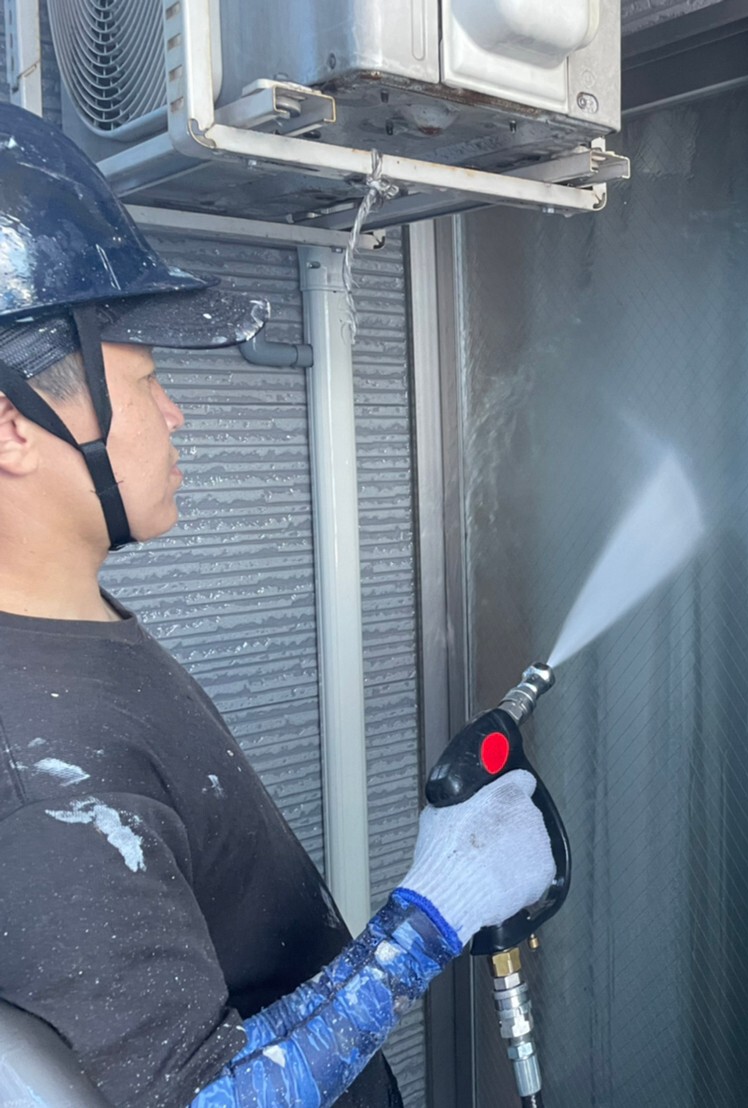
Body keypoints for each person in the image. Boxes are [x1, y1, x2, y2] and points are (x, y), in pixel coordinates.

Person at [0, 102, 556, 1107]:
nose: (175, 412)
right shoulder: (42, 780)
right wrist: (434, 914)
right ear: (12, 426)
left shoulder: (61, 635)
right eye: (146, 380)